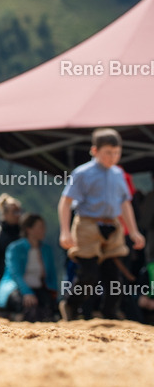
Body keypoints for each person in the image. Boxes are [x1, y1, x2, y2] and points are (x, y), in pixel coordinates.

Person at [58, 128, 145, 320]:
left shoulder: (118, 174)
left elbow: (125, 203)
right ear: (95, 151)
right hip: (87, 225)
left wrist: (134, 231)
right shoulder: (82, 173)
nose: (112, 157)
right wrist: (65, 231)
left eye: (117, 153)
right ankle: (71, 305)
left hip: (113, 226)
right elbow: (65, 202)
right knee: (89, 275)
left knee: (114, 277)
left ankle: (109, 312)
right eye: (108, 152)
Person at [0, 213, 58, 322]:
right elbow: (15, 273)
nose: (44, 230)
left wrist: (53, 293)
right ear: (29, 229)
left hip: (39, 288)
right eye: (40, 227)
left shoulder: (46, 250)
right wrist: (27, 292)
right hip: (16, 288)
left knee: (48, 310)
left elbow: (52, 274)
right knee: (29, 307)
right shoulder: (15, 248)